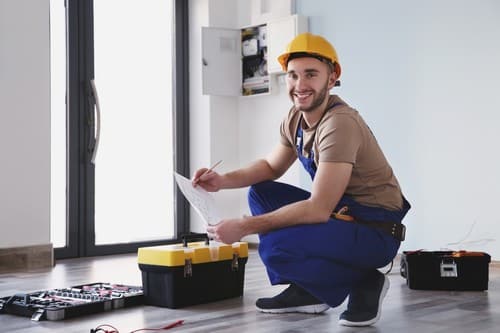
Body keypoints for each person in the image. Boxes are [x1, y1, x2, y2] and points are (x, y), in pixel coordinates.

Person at [192, 32, 410, 327]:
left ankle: (365, 279)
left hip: (375, 231)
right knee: (261, 193)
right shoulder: (295, 117)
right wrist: (221, 180)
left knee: (275, 247)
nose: (300, 85)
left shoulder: (340, 124)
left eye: (311, 74)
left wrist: (244, 227)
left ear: (331, 79)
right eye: (293, 75)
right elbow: (271, 166)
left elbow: (318, 208)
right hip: (344, 217)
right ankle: (311, 290)